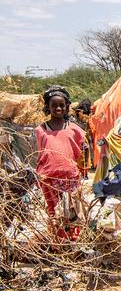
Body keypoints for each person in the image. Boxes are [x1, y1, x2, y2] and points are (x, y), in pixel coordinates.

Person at [35, 86, 88, 238]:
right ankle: (59, 242)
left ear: (67, 106)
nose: (58, 108)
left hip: (70, 177)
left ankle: (73, 240)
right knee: (54, 211)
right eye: (54, 105)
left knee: (72, 210)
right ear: (48, 107)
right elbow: (40, 153)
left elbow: (84, 150)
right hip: (49, 178)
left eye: (61, 105)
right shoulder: (41, 130)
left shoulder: (74, 129)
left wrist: (84, 161)